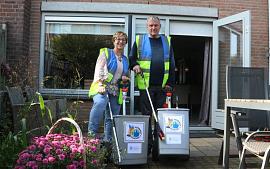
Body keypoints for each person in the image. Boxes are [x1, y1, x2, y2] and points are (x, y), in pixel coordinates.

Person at [129, 16, 175, 154]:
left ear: (160, 26)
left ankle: (159, 146)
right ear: (147, 27)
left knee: (161, 118)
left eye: (156, 25)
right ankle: (148, 145)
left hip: (162, 87)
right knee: (147, 117)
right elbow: (132, 58)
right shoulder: (140, 40)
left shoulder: (167, 40)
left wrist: (170, 83)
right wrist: (135, 65)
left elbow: (172, 63)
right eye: (150, 25)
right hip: (146, 87)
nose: (153, 28)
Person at [88, 31, 129, 141]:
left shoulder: (125, 59)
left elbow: (125, 74)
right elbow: (100, 68)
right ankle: (92, 134)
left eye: (123, 40)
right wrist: (101, 84)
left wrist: (125, 78)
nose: (120, 41)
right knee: (100, 103)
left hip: (115, 89)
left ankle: (108, 140)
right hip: (102, 86)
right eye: (118, 39)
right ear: (114, 41)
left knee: (112, 116)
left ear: (125, 43)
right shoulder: (106, 53)